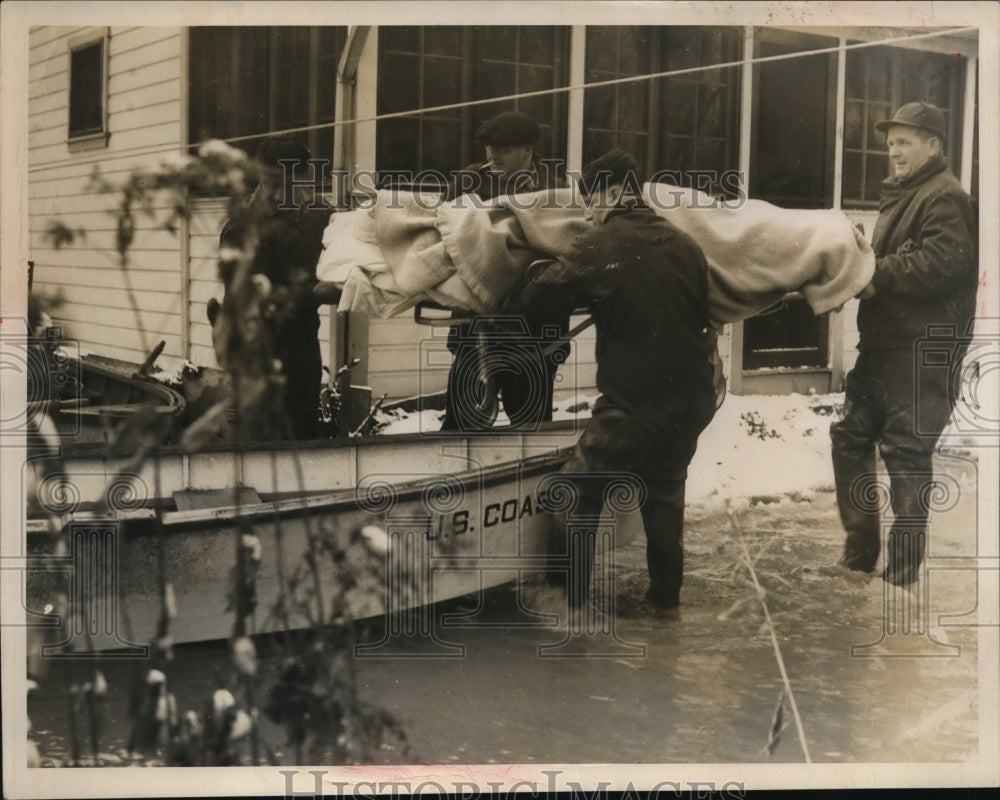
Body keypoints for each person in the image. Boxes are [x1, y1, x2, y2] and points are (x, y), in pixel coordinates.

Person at [512, 149, 720, 615]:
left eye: (591, 201)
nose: (588, 213)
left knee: (573, 491)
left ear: (612, 191)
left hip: (635, 403)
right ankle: (665, 602)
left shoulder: (598, 243)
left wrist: (541, 271)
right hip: (691, 399)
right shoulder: (685, 244)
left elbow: (536, 303)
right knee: (664, 492)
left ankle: (565, 608)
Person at [830, 101, 978, 586]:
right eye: (890, 142)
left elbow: (942, 263)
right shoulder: (904, 193)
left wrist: (875, 271)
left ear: (933, 146)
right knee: (850, 437)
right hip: (884, 347)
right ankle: (859, 555)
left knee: (907, 455)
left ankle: (903, 574)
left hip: (921, 353)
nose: (893, 151)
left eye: (904, 142)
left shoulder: (945, 196)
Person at [441, 111, 569, 431]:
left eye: (502, 149)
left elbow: (565, 247)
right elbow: (441, 229)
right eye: (488, 148)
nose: (491, 156)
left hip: (533, 331)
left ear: (526, 151)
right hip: (476, 325)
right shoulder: (469, 180)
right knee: (461, 424)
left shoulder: (555, 188)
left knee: (531, 428)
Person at [215, 134, 331, 440]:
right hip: (257, 354)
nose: (277, 193)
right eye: (270, 181)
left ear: (304, 178)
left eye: (288, 183)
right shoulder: (239, 227)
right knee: (260, 451)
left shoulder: (323, 219)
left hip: (304, 349)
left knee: (304, 438)